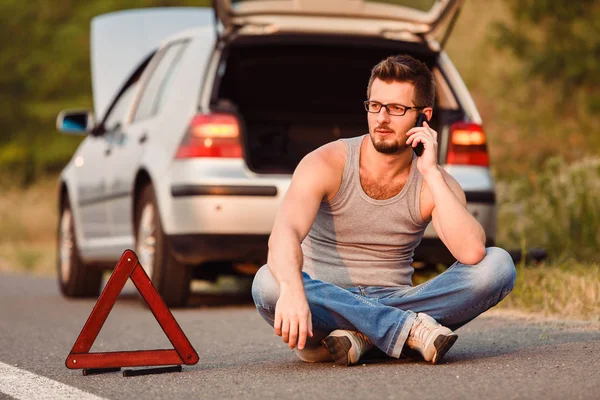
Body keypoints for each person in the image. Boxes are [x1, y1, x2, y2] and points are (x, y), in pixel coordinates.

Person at [251, 54, 516, 366]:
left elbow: (472, 252)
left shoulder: (435, 180)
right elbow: (284, 234)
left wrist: (430, 172)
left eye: (397, 109)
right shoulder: (326, 163)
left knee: (498, 265)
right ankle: (405, 330)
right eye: (375, 106)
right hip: (324, 302)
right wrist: (295, 290)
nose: (381, 119)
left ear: (424, 116)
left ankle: (360, 338)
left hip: (397, 299)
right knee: (268, 283)